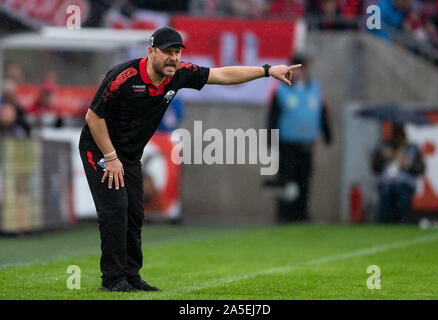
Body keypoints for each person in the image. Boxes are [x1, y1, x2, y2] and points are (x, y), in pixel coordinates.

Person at [78, 26, 301, 292]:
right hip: (100, 151)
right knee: (116, 208)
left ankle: (131, 276)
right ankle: (113, 280)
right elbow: (93, 117)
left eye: (177, 53)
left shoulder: (180, 74)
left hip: (129, 156)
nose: (173, 58)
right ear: (151, 52)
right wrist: (111, 156)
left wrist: (266, 71)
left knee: (135, 213)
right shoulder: (123, 77)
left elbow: (223, 75)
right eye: (167, 53)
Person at [267, 53, 332, 223]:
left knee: (304, 179)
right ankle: (284, 214)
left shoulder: (315, 88)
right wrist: (270, 140)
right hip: (287, 143)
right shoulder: (280, 89)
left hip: (307, 143)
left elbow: (321, 112)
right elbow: (272, 117)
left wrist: (327, 133)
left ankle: (301, 214)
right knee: (286, 179)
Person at [371, 124, 425, 223]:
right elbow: (375, 167)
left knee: (400, 191)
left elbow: (421, 168)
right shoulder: (384, 147)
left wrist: (408, 165)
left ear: (404, 136)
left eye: (400, 135)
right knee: (386, 191)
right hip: (386, 183)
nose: (397, 139)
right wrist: (383, 158)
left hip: (405, 183)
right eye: (395, 135)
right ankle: (382, 222)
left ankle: (403, 221)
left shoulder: (412, 148)